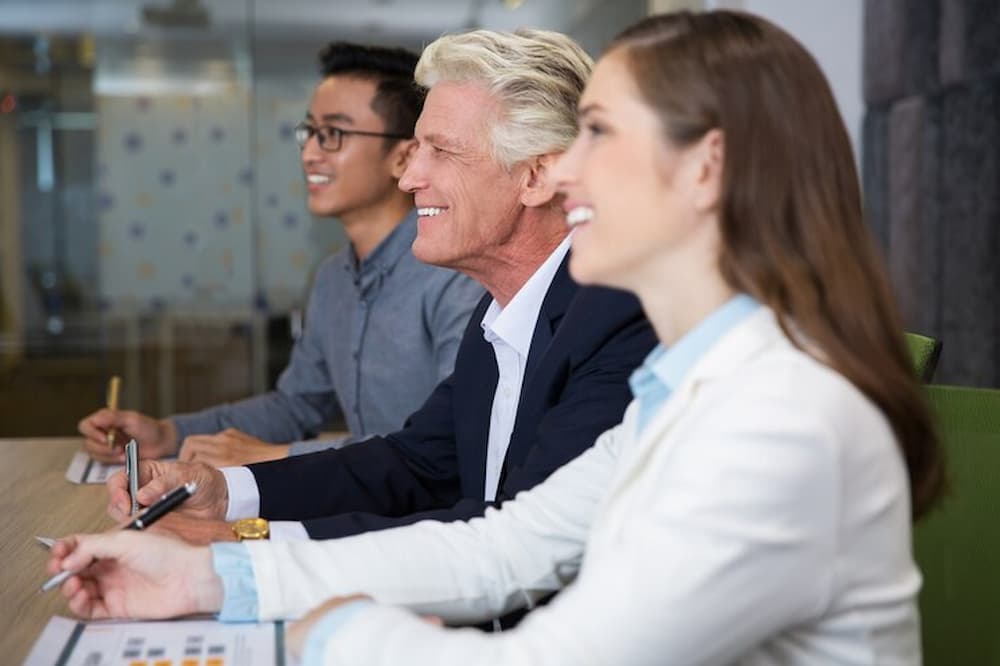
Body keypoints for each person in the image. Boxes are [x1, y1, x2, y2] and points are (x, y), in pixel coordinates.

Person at [50, 10, 948, 663]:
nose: (569, 167)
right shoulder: (694, 385)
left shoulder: (778, 419)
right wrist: (212, 581)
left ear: (705, 166)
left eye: (597, 132)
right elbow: (506, 545)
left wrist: (325, 626)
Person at [101, 29, 656, 544]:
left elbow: (518, 540)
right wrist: (224, 492)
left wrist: (254, 538)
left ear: (536, 177)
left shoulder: (616, 320)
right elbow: (413, 463)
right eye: (416, 150)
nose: (411, 177)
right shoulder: (501, 311)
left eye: (440, 151)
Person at [77, 43, 483, 468]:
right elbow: (297, 406)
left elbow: (448, 444)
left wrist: (279, 456)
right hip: (363, 495)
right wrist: (169, 433)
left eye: (334, 134)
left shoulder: (454, 276)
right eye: (309, 132)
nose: (309, 153)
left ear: (403, 156)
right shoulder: (334, 278)